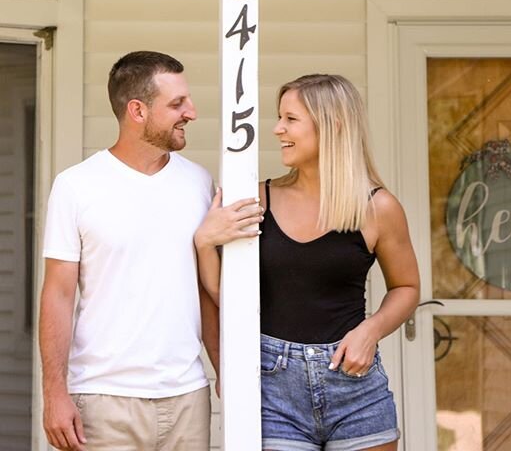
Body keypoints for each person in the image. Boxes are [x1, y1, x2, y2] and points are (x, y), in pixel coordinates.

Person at [39, 50, 262, 451]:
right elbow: (57, 295)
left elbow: (203, 289)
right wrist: (55, 394)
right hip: (103, 400)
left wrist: (223, 372)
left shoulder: (198, 182)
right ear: (137, 110)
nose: (191, 111)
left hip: (187, 398)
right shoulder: (76, 186)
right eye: (177, 103)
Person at [196, 73, 420, 451]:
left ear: (331, 124)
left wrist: (371, 330)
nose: (277, 129)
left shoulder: (378, 208)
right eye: (279, 117)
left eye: (290, 119)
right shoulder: (257, 200)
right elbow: (224, 295)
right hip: (272, 390)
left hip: (357, 391)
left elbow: (407, 287)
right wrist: (204, 242)